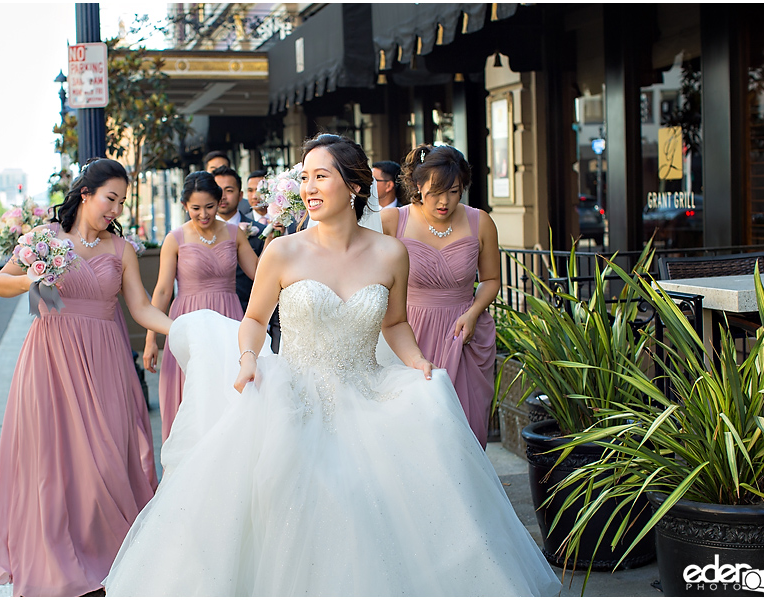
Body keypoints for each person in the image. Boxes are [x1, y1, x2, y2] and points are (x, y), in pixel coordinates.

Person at [102, 134, 560, 596]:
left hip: (367, 393)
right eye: (305, 177)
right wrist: (247, 361)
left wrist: (419, 361)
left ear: (354, 186)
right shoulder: (284, 251)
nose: (309, 188)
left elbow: (396, 323)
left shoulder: (390, 253)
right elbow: (255, 319)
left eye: (321, 176)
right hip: (293, 399)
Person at [0, 158, 176, 597]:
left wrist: (184, 326)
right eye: (110, 198)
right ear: (86, 194)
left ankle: (108, 555)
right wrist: (36, 273)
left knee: (106, 460)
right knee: (54, 464)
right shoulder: (44, 239)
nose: (115, 209)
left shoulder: (122, 249)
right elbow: (0, 284)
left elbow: (142, 308)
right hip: (50, 360)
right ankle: (57, 562)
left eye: (121, 202)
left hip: (106, 361)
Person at [381, 144, 500, 447]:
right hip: (409, 331)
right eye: (435, 192)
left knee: (466, 432)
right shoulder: (393, 221)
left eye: (454, 191)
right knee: (417, 435)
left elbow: (491, 279)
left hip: (464, 333)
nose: (444, 201)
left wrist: (473, 313)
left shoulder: (480, 221)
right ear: (417, 186)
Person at [144, 170, 260, 442]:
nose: (203, 214)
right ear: (185, 205)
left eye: (209, 206)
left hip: (229, 320)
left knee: (227, 397)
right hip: (187, 324)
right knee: (190, 396)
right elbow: (162, 291)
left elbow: (260, 274)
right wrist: (151, 340)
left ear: (219, 201)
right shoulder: (175, 239)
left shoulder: (235, 234)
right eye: (195, 208)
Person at [213, 165, 265, 312]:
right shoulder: (197, 234)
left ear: (240, 195)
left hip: (249, 313)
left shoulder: (260, 232)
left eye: (229, 191)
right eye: (218, 190)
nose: (222, 196)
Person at [203, 149, 251, 216]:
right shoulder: (198, 210)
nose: (223, 196)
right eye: (213, 170)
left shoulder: (247, 207)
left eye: (229, 191)